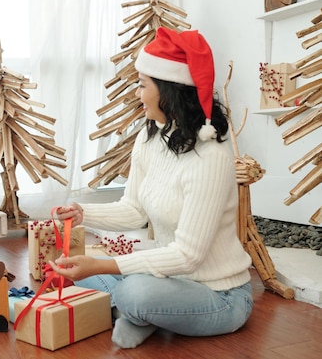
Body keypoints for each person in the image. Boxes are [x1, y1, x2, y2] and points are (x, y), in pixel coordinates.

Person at [49, 27, 253, 349]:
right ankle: (148, 314)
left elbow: (188, 257)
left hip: (219, 294)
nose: (137, 94)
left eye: (143, 85)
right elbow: (135, 210)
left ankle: (137, 310)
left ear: (170, 91)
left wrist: (106, 265)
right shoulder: (150, 137)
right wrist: (82, 212)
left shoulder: (211, 157)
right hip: (168, 279)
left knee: (132, 291)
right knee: (81, 270)